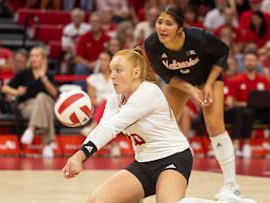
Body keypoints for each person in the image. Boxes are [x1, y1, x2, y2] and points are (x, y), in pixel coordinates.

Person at [62, 48, 257, 203]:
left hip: (173, 158)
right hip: (143, 163)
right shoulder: (116, 98)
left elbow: (112, 127)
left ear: (136, 73)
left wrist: (79, 156)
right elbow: (103, 127)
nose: (112, 75)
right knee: (96, 201)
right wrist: (80, 155)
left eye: (119, 70)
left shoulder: (148, 92)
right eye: (111, 70)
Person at [144, 4, 241, 200]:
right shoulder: (152, 44)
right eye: (160, 22)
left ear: (181, 28)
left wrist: (209, 84)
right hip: (179, 81)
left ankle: (231, 186)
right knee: (161, 124)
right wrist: (191, 90)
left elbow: (223, 52)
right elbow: (163, 73)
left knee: (215, 127)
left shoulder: (199, 38)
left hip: (207, 78)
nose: (162, 27)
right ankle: (155, 179)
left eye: (169, 24)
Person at [226, 51, 270, 158]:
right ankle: (245, 146)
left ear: (257, 62)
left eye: (252, 60)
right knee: (249, 112)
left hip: (262, 111)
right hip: (245, 111)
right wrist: (246, 103)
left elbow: (269, 97)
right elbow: (231, 101)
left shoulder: (264, 80)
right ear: (244, 62)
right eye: (247, 60)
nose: (250, 63)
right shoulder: (236, 80)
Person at [1, 47, 57, 158]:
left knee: (42, 97)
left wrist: (43, 78)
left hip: (46, 104)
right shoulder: (24, 73)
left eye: (36, 56)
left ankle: (31, 129)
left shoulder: (48, 74)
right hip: (28, 107)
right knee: (46, 109)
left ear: (42, 59)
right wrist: (16, 91)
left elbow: (54, 93)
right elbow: (4, 88)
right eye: (31, 56)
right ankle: (48, 144)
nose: (33, 59)